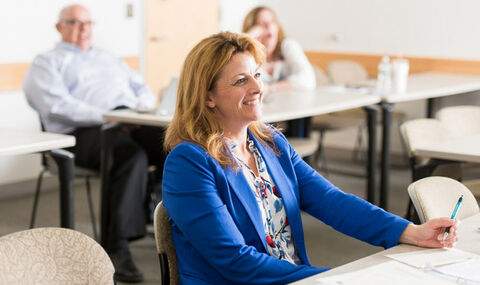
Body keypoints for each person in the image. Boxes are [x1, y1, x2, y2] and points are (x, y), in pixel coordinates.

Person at [162, 32, 458, 284]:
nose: (257, 88)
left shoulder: (268, 141)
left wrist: (411, 231)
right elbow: (232, 259)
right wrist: (327, 278)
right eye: (240, 80)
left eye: (256, 75)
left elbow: (332, 201)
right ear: (207, 96)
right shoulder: (189, 162)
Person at [23, 4, 163, 283]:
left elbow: (141, 88)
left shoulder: (108, 57)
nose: (83, 28)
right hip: (80, 133)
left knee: (173, 143)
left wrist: (141, 108)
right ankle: (117, 246)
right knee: (129, 156)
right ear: (59, 27)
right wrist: (108, 116)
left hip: (128, 120)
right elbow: (55, 106)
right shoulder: (47, 61)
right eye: (74, 22)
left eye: (87, 22)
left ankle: (158, 214)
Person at [242, 6, 316, 93]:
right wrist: (248, 39)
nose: (268, 26)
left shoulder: (288, 45)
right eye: (262, 23)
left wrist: (270, 88)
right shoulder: (247, 56)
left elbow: (308, 81)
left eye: (272, 21)